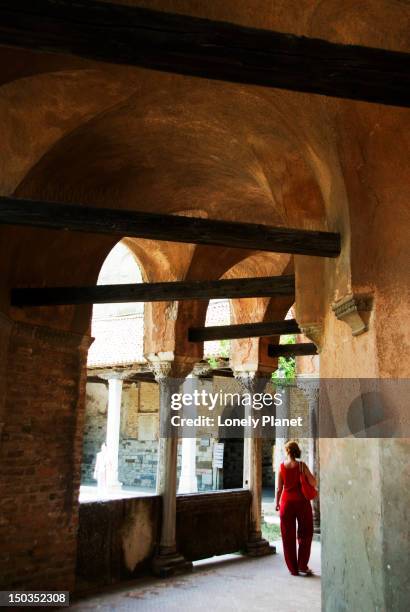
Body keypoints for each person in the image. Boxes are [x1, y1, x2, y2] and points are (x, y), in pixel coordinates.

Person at [275, 440, 317, 576]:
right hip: (302, 503)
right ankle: (302, 566)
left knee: (288, 536)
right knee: (306, 533)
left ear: (287, 452)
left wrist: (277, 503)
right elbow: (313, 482)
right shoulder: (301, 466)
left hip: (286, 504)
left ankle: (293, 569)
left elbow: (278, 489)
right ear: (296, 451)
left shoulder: (281, 467)